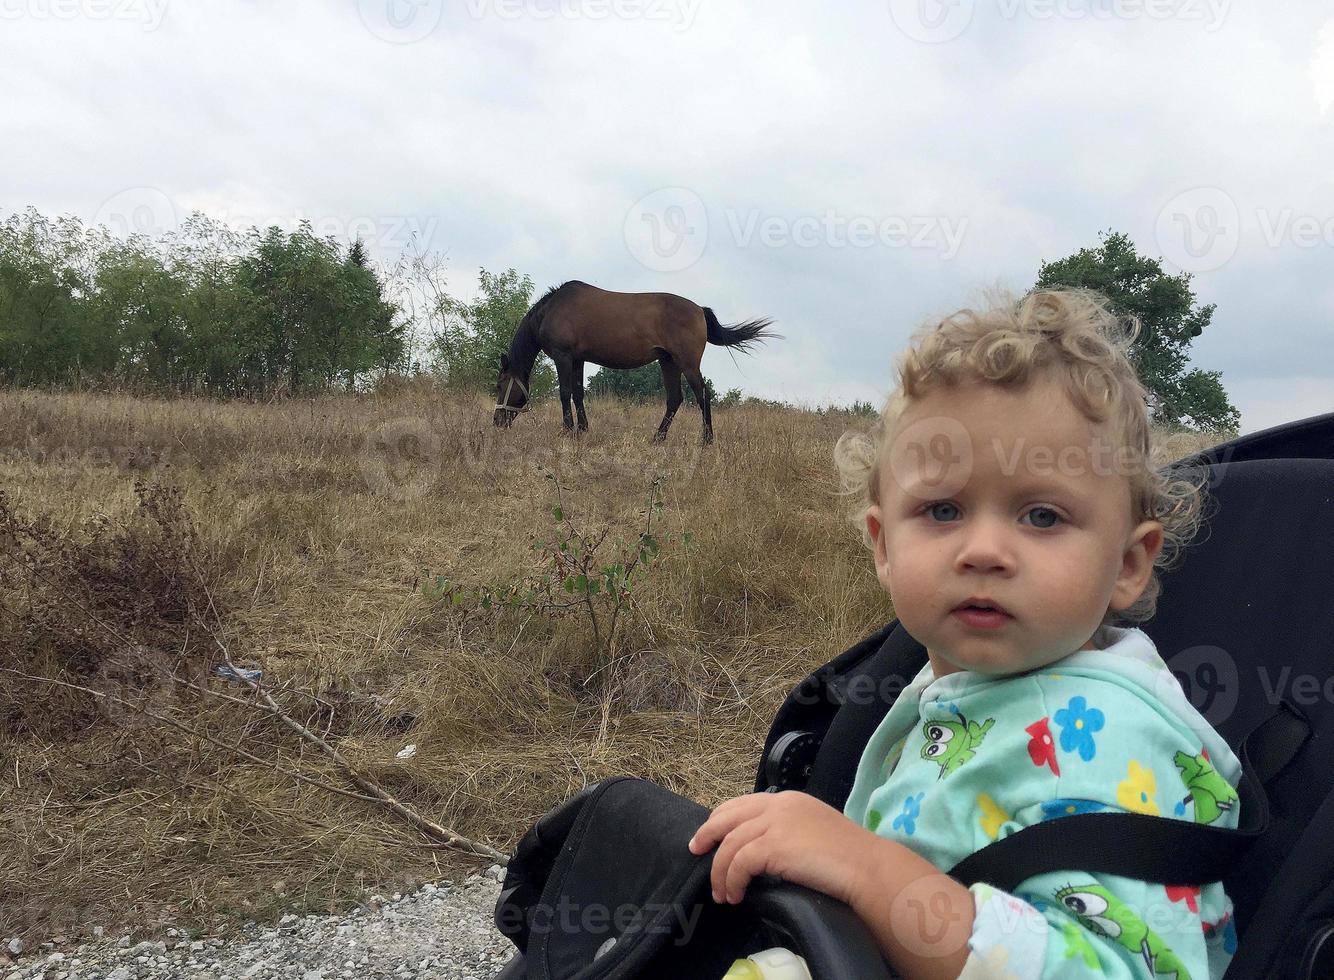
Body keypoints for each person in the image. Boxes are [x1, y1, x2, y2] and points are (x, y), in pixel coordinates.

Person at [687, 288, 1240, 979]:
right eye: (943, 509)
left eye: (1041, 517)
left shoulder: (1113, 744)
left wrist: (866, 867)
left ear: (1127, 565)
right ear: (883, 547)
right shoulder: (954, 691)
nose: (984, 550)